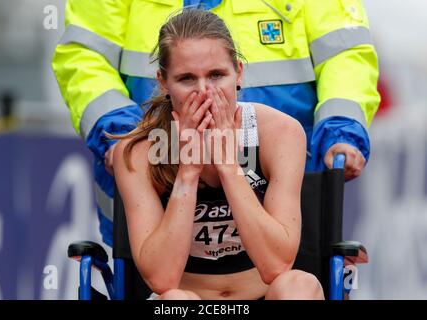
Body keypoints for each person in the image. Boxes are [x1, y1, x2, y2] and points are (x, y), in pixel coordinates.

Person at [52, 0, 380, 247]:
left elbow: (344, 53)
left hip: (288, 188)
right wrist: (123, 137)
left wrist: (341, 131)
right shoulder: (139, 155)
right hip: (157, 178)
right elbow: (84, 55)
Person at [111, 9, 324, 300]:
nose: (205, 92)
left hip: (261, 292)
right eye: (186, 79)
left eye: (216, 75)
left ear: (239, 72)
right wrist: (187, 173)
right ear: (163, 82)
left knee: (299, 286)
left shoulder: (279, 133)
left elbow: (277, 266)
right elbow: (162, 279)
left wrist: (229, 167)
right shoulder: (141, 151)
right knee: (173, 300)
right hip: (189, 298)